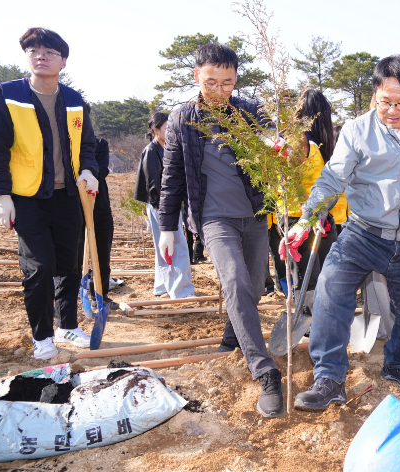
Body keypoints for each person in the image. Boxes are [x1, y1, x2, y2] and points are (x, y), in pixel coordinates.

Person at [287, 55, 400, 410]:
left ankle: (397, 364)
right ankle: (329, 378)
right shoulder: (357, 130)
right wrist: (305, 219)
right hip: (363, 233)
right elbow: (332, 179)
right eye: (385, 101)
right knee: (330, 291)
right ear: (375, 94)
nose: (393, 110)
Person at [157, 43, 284, 418]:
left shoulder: (249, 111)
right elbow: (172, 176)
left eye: (227, 82)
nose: (219, 89)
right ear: (197, 76)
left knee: (256, 283)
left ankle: (232, 337)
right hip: (214, 219)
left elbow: (271, 139)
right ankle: (265, 371)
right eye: (211, 81)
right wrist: (167, 227)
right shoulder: (182, 118)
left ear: (235, 80)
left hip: (255, 215)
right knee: (235, 282)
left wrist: (275, 143)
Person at [0, 28, 99, 360]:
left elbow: (86, 145)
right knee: (39, 266)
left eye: (49, 51)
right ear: (27, 57)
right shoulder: (7, 95)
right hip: (26, 198)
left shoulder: (74, 100)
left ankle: (67, 325)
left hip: (68, 197)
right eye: (33, 50)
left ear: (63, 60)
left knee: (68, 265)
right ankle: (42, 335)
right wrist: (1, 195)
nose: (40, 56)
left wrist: (88, 170)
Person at [269, 89, 338, 301]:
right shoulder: (303, 140)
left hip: (312, 215)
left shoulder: (306, 140)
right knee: (311, 278)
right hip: (301, 217)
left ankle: (315, 320)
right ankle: (308, 322)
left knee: (320, 276)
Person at [134, 112, 195, 299]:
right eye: (167, 128)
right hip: (160, 206)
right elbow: (154, 185)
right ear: (155, 130)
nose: (171, 132)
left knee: (165, 247)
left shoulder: (169, 148)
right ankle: (181, 291)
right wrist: (164, 210)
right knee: (176, 246)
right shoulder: (151, 152)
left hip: (170, 204)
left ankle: (162, 287)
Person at [76, 102, 119, 311]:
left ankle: (99, 294)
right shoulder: (63, 146)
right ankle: (73, 295)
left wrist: (88, 174)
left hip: (98, 205)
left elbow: (101, 171)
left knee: (102, 253)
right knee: (73, 254)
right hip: (71, 207)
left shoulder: (99, 143)